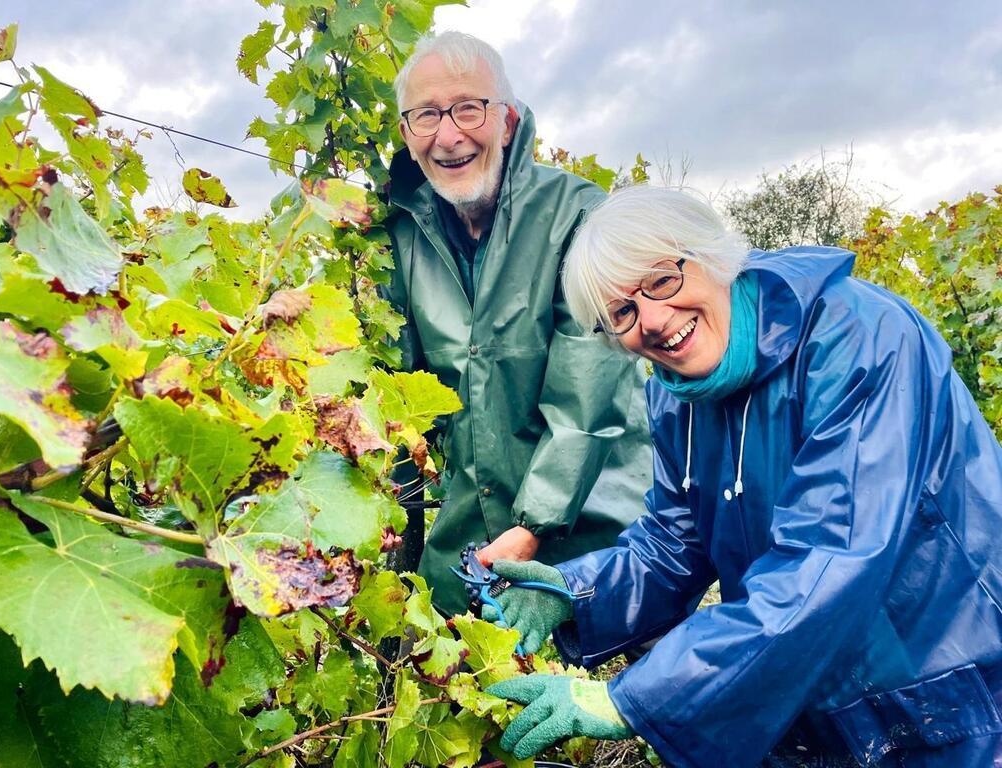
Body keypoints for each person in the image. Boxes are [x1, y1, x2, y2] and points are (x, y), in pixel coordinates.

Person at [485, 185, 1002, 768]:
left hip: (955, 697)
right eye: (622, 314)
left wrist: (636, 699)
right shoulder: (676, 399)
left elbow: (830, 558)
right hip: (817, 705)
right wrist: (572, 594)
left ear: (713, 256)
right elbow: (674, 544)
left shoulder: (858, 337)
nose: (653, 320)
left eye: (662, 280)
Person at [385, 32, 652, 616]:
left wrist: (532, 527)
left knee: (579, 691)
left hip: (589, 524)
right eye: (426, 115)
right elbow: (402, 386)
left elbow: (586, 404)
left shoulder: (578, 215)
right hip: (471, 520)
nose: (449, 135)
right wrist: (388, 490)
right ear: (407, 134)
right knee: (429, 674)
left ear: (506, 121)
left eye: (467, 108)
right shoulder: (401, 234)